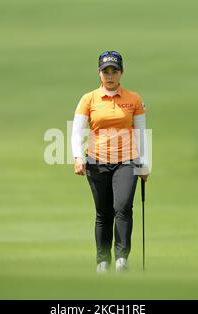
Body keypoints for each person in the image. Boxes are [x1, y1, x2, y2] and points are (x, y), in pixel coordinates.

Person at [71, 50, 150, 273]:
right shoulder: (89, 99)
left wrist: (144, 164)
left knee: (123, 207)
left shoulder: (133, 99)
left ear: (121, 72)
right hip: (97, 161)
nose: (110, 75)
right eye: (106, 71)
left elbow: (141, 132)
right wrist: (78, 157)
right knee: (103, 212)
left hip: (127, 161)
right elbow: (77, 131)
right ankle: (102, 261)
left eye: (114, 70)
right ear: (99, 73)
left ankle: (122, 259)